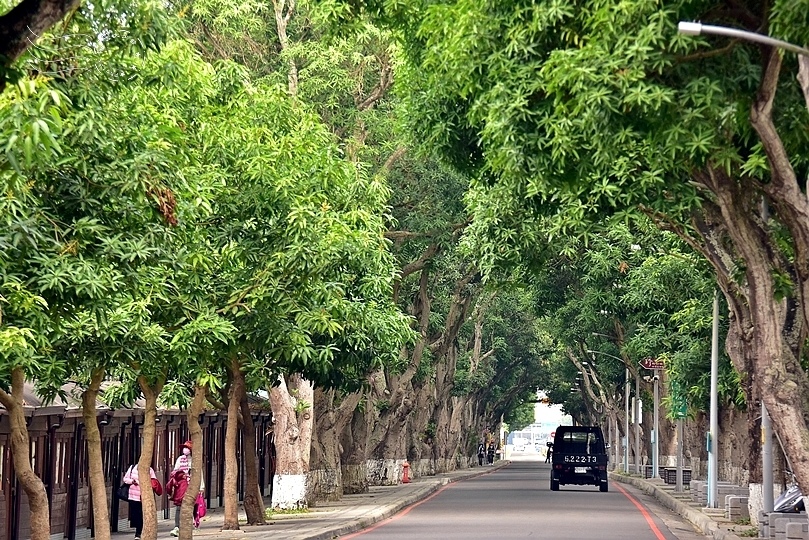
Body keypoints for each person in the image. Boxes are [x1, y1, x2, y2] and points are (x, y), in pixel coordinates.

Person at [170, 440, 204, 536]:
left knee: (193, 505)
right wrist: (180, 475)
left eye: (187, 448)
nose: (185, 450)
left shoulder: (195, 461)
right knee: (179, 506)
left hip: (192, 486)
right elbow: (174, 472)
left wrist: (201, 486)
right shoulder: (180, 459)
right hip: (181, 486)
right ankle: (177, 526)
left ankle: (193, 523)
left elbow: (199, 474)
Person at [122, 464, 158, 540]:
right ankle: (138, 531)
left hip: (143, 497)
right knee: (136, 515)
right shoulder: (132, 468)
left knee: (142, 515)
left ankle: (138, 533)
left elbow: (154, 481)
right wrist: (132, 481)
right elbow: (125, 479)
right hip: (133, 496)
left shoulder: (150, 469)